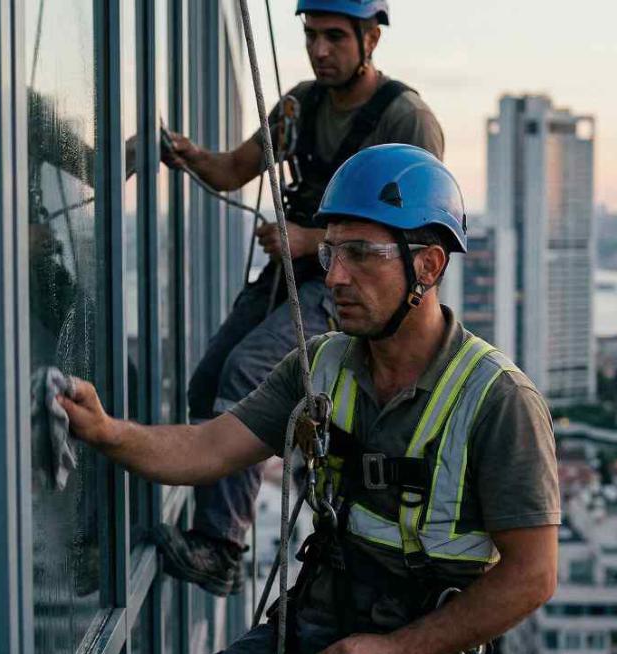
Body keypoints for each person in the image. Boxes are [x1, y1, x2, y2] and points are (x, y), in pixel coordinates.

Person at [60, 145, 559, 654]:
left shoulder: (497, 399)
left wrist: (395, 652)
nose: (337, 277)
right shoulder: (322, 363)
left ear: (428, 264)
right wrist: (106, 431)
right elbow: (208, 447)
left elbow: (532, 575)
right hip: (316, 625)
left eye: (362, 254)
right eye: (330, 254)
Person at [159, 0, 446, 596]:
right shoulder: (299, 106)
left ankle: (221, 545)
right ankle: (211, 524)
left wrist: (310, 238)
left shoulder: (405, 120)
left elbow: (420, 228)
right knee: (205, 381)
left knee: (245, 373)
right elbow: (233, 170)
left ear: (371, 38)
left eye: (335, 37)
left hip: (349, 287)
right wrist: (184, 153)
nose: (319, 50)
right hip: (293, 275)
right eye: (311, 35)